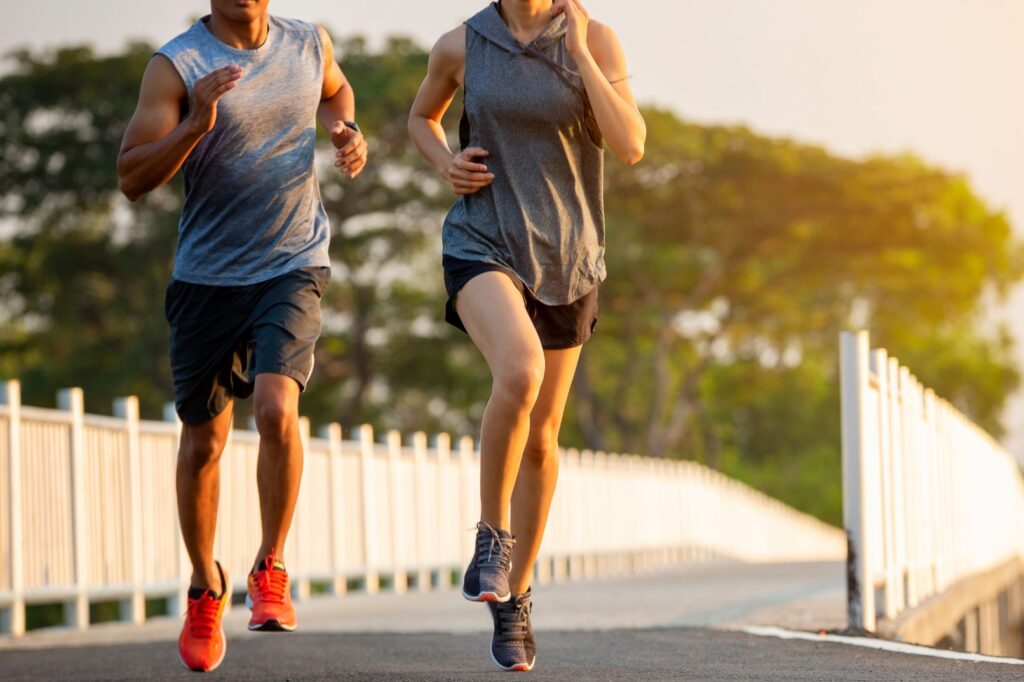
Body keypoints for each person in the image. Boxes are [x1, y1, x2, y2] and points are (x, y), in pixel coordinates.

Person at [116, 0, 367, 672]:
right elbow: (132, 177)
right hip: (207, 277)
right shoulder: (176, 66)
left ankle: (270, 565)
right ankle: (205, 585)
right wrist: (194, 124)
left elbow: (336, 88)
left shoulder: (308, 43)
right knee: (204, 442)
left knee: (277, 408)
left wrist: (344, 128)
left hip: (293, 261)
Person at [408, 0, 645, 671]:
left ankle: (516, 598)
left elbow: (630, 144)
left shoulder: (596, 40)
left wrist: (582, 57)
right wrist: (444, 164)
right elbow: (421, 117)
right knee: (520, 369)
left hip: (569, 259)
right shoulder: (462, 43)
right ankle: (492, 538)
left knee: (542, 437)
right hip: (482, 240)